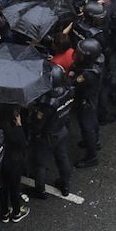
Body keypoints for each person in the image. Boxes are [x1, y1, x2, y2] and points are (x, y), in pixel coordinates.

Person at [30, 64, 74, 198]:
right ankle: (65, 185)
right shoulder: (67, 91)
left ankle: (40, 190)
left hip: (47, 135)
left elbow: (38, 123)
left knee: (40, 164)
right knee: (63, 158)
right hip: (62, 130)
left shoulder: (47, 102)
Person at [71, 37, 103, 168]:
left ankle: (92, 156)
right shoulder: (98, 61)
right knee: (93, 121)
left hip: (85, 101)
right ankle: (95, 142)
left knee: (87, 128)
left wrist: (71, 76)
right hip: (92, 98)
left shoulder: (88, 74)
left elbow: (74, 84)